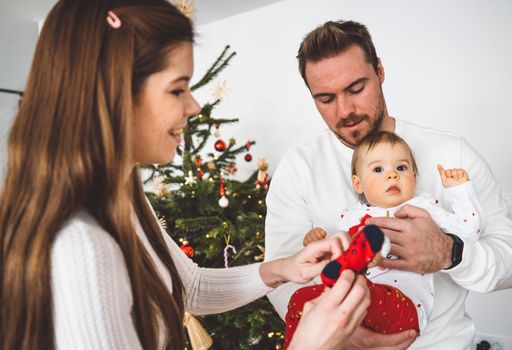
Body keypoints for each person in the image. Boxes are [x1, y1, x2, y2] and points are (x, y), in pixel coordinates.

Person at [0, 2, 371, 349]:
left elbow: (188, 287)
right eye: (178, 88)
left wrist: (286, 268)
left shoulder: (123, 197)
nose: (194, 106)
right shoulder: (79, 245)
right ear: (113, 96)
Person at [264, 20, 512, 349]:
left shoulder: (450, 153)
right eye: (326, 98)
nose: (345, 110)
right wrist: (342, 335)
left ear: (380, 71)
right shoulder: (298, 168)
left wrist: (450, 252)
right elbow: (281, 279)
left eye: (356, 88)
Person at [283, 130, 483, 348]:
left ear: (414, 177)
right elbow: (333, 254)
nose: (392, 175)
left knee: (360, 290)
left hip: (404, 309)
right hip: (354, 307)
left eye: (401, 168)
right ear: (358, 184)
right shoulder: (348, 218)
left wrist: (460, 191)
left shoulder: (424, 209)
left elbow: (469, 231)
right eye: (378, 169)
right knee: (301, 299)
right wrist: (318, 244)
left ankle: (369, 252)